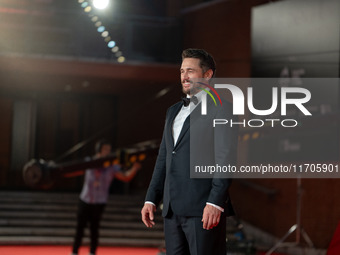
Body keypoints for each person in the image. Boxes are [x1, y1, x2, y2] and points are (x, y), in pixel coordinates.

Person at [141, 48, 238, 255]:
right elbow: (164, 158)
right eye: (182, 71)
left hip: (203, 209)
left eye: (191, 71)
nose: (184, 76)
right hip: (171, 209)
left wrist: (215, 202)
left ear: (208, 75)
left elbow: (225, 158)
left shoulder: (222, 108)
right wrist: (151, 198)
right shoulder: (173, 111)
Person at [71, 139, 141, 255]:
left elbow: (125, 177)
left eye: (109, 150)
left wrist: (134, 168)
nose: (107, 152)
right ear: (99, 150)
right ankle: (74, 251)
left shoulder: (112, 166)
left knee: (94, 228)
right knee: (80, 227)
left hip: (100, 201)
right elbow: (75, 171)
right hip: (85, 198)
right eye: (105, 149)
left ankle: (92, 252)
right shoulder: (89, 162)